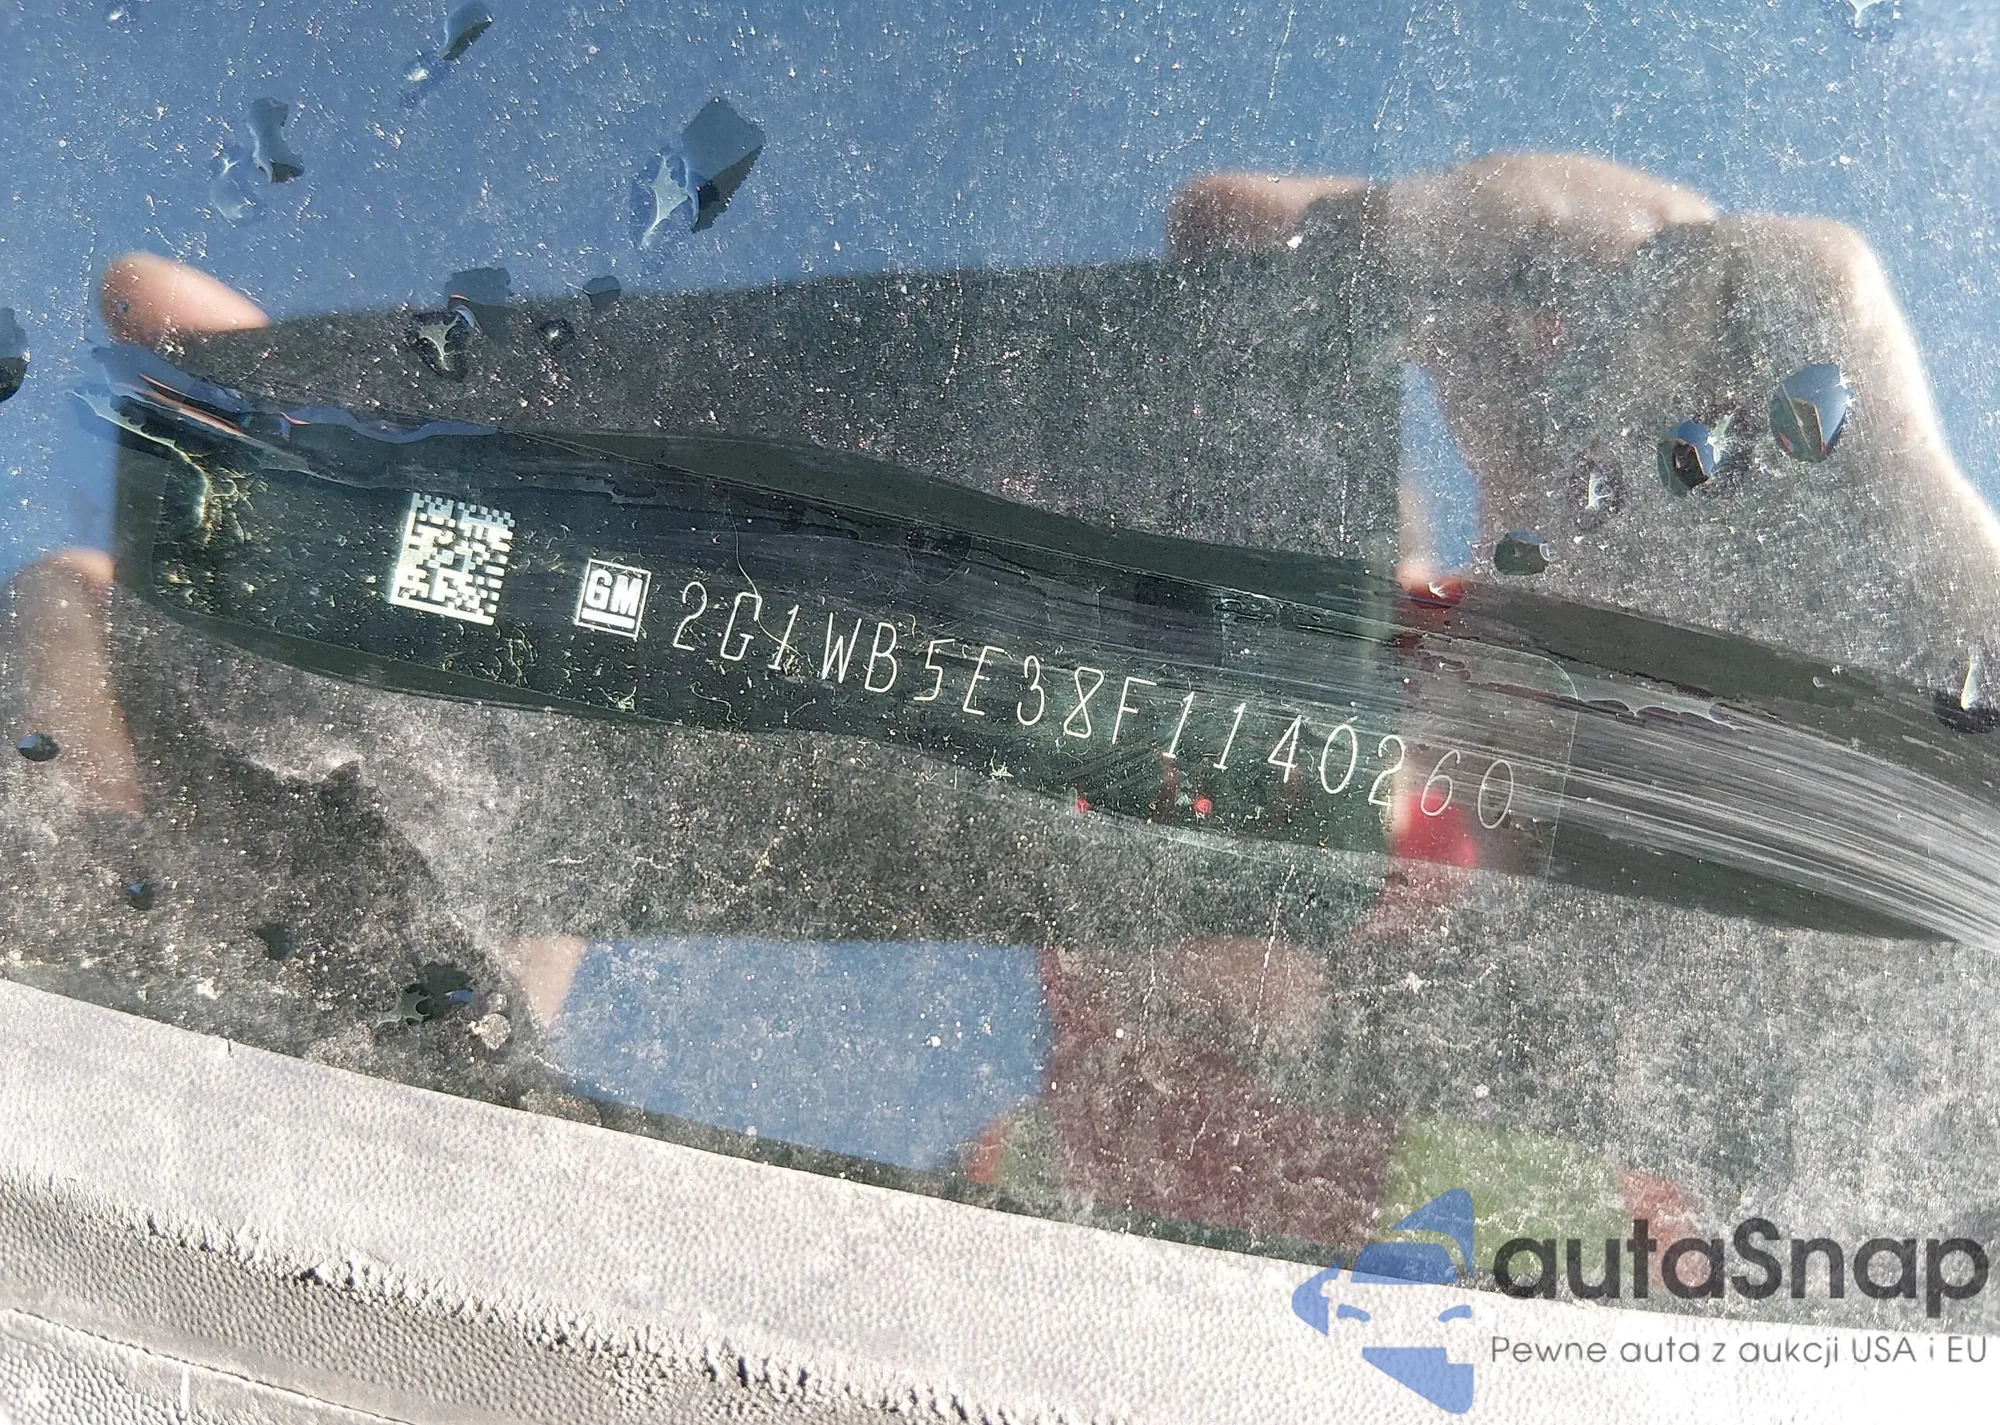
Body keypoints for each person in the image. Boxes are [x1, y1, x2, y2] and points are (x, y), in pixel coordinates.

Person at [5, 153, 1988, 1261]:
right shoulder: (943, 1235)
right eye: (1010, 669)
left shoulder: (1707, 1239)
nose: (1191, 754)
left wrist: (1936, 800)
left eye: (1369, 675)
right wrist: (384, 1078)